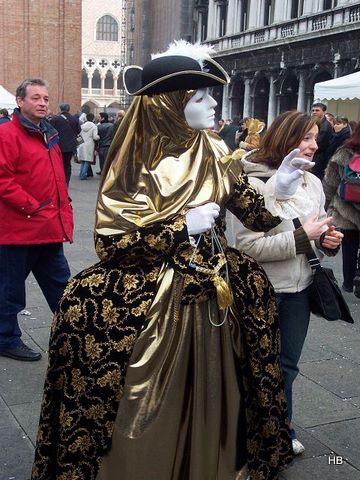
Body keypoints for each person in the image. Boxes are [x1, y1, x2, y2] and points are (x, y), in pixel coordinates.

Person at [31, 42, 302, 480]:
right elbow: (112, 244)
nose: (213, 104)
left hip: (216, 295)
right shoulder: (136, 161)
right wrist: (181, 227)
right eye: (200, 97)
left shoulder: (213, 150)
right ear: (169, 105)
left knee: (221, 388)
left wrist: (281, 185)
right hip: (158, 300)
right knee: (149, 398)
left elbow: (253, 212)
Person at [227, 110, 343, 456]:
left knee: (287, 365)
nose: (314, 145)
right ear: (285, 139)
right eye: (306, 138)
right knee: (254, 367)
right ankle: (246, 433)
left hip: (300, 290)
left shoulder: (313, 182)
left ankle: (281, 427)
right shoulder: (253, 184)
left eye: (315, 137)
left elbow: (315, 235)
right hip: (261, 291)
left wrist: (326, 241)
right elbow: (245, 247)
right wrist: (302, 238)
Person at [0, 78, 73, 362]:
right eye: (36, 98)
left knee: (62, 287)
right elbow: (3, 179)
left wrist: (60, 209)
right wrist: (33, 206)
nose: (43, 103)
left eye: (45, 98)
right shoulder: (7, 134)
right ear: (20, 101)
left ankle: (73, 332)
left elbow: (55, 179)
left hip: (49, 228)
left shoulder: (49, 134)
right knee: (10, 289)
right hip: (18, 230)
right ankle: (6, 338)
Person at [322, 122, 360, 297]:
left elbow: (330, 182)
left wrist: (325, 205)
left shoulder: (344, 152)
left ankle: (348, 282)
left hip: (345, 210)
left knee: (349, 247)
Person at [50, 103, 81, 185]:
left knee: (59, 164)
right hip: (71, 146)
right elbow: (79, 131)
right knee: (68, 164)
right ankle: (66, 181)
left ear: (60, 109)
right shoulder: (75, 119)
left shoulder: (55, 119)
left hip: (58, 145)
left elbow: (50, 131)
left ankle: (59, 181)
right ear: (69, 109)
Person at [310, 102, 334, 179]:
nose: (314, 112)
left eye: (317, 110)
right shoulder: (317, 122)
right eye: (313, 110)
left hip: (319, 158)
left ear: (324, 112)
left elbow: (319, 144)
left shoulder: (325, 126)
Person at [78, 113, 99, 180]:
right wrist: (99, 137)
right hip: (89, 144)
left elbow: (79, 135)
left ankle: (81, 173)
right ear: (93, 118)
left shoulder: (83, 125)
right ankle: (83, 175)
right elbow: (95, 137)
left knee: (83, 160)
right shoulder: (94, 126)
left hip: (82, 144)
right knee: (87, 161)